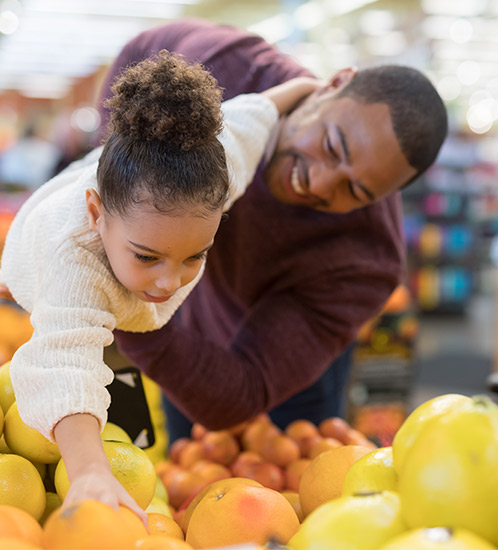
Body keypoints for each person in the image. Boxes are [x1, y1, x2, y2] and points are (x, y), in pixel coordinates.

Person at [0, 50, 317, 520]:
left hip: (117, 186)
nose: (169, 282)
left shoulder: (216, 172)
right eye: (147, 257)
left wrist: (307, 86)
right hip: (35, 247)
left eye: (196, 255)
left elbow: (251, 116)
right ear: (96, 215)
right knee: (75, 336)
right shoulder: (73, 262)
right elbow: (63, 364)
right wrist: (88, 470)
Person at [98, 19, 449, 440]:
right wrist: (120, 194)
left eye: (353, 190)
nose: (319, 183)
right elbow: (142, 53)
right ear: (334, 83)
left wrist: (126, 302)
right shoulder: (224, 70)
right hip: (186, 318)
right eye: (332, 145)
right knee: (188, 467)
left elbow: (242, 391)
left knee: (292, 478)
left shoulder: (363, 259)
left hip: (279, 369)